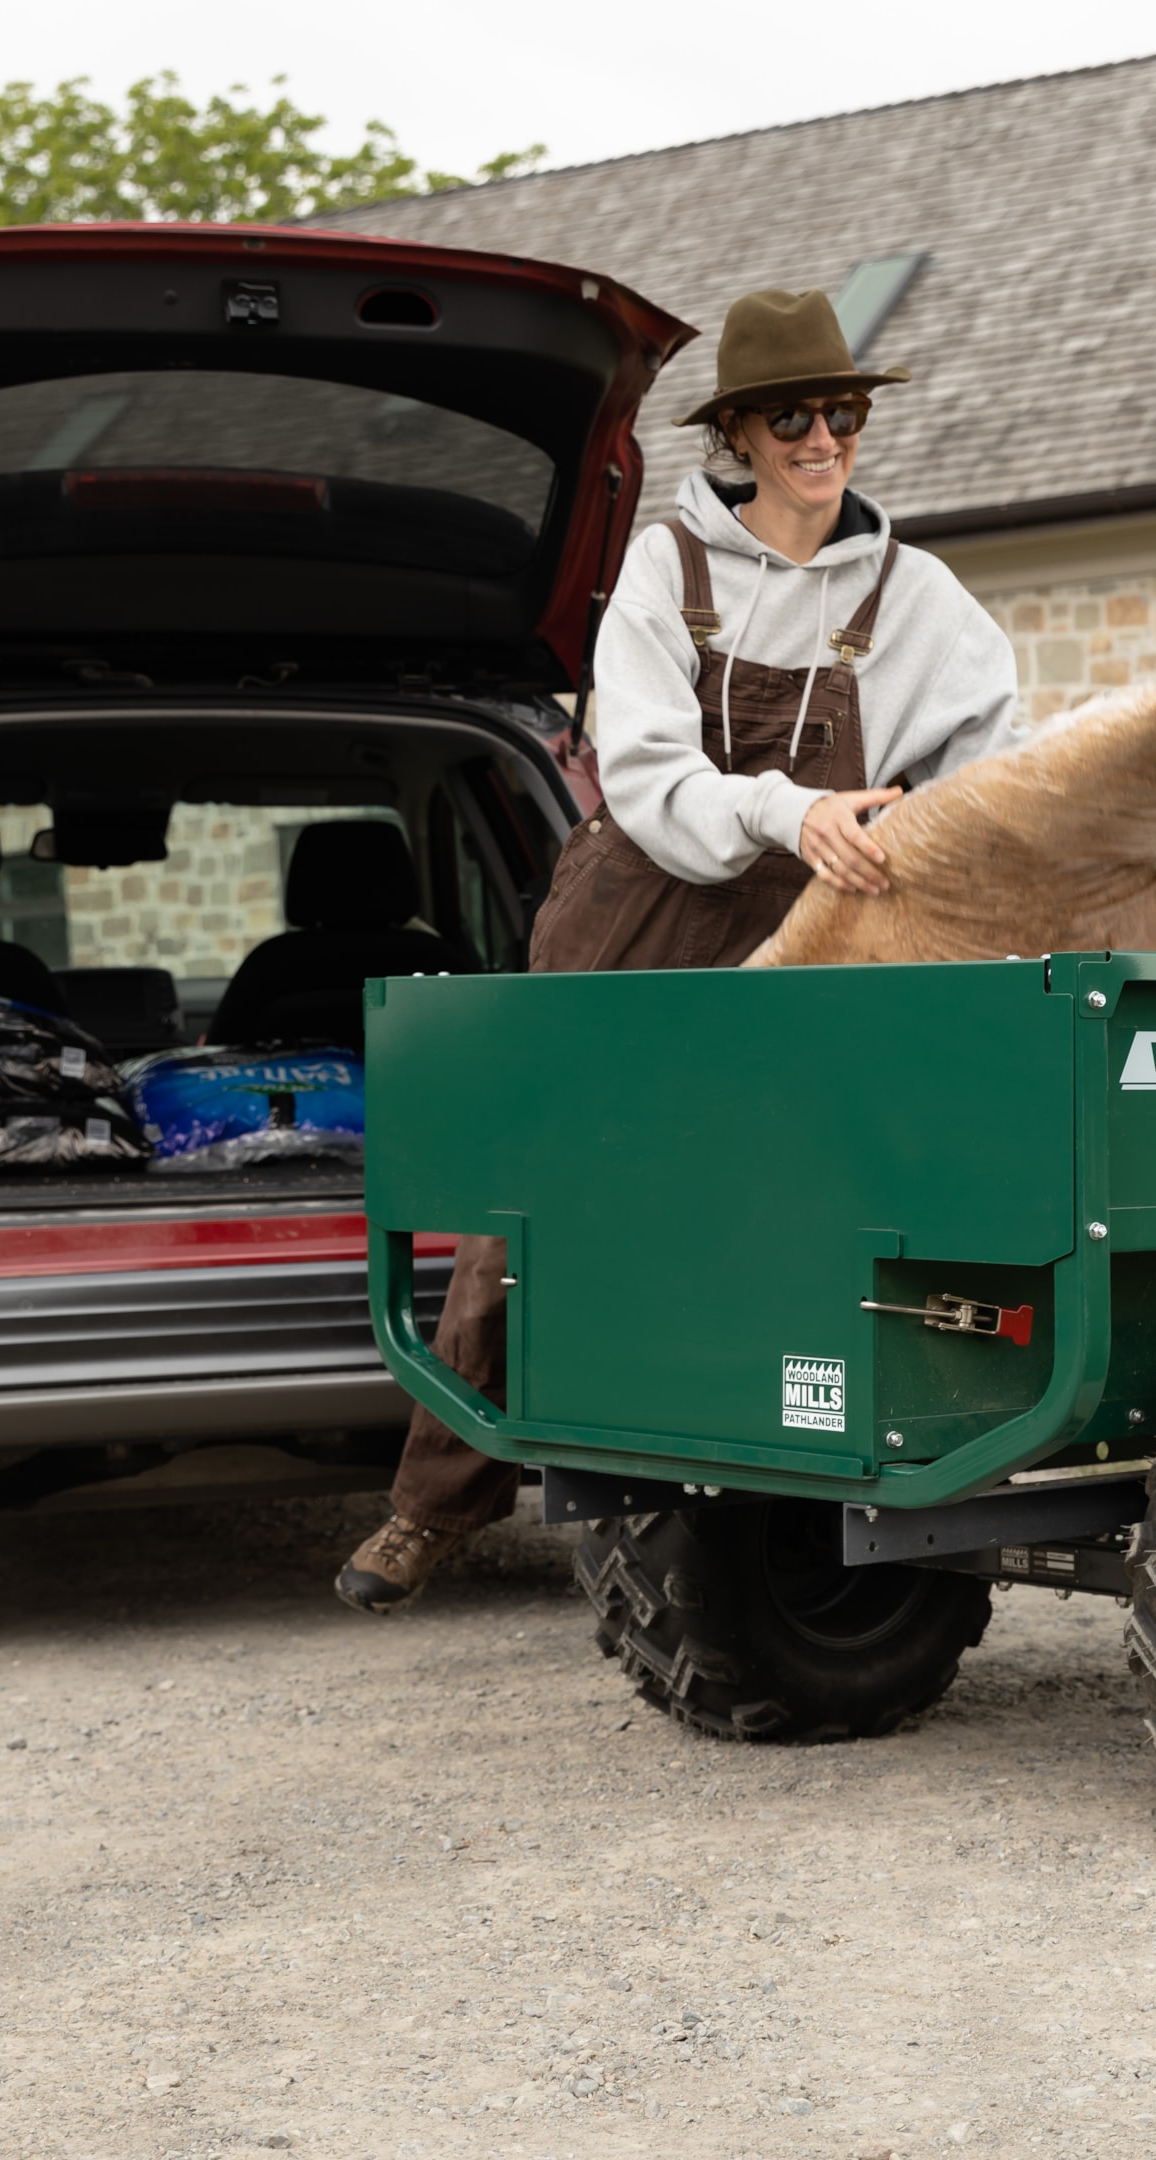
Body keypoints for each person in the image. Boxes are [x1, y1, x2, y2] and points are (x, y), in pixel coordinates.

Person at [336, 288, 1020, 1612]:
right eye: (792, 417)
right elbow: (646, 773)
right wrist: (789, 810)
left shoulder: (921, 597)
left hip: (818, 921)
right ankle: (434, 1502)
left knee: (796, 1197)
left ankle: (761, 1497)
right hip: (644, 906)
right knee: (533, 1193)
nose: (823, 438)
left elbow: (990, 758)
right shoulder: (668, 571)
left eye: (842, 411)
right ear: (740, 434)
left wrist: (930, 835)